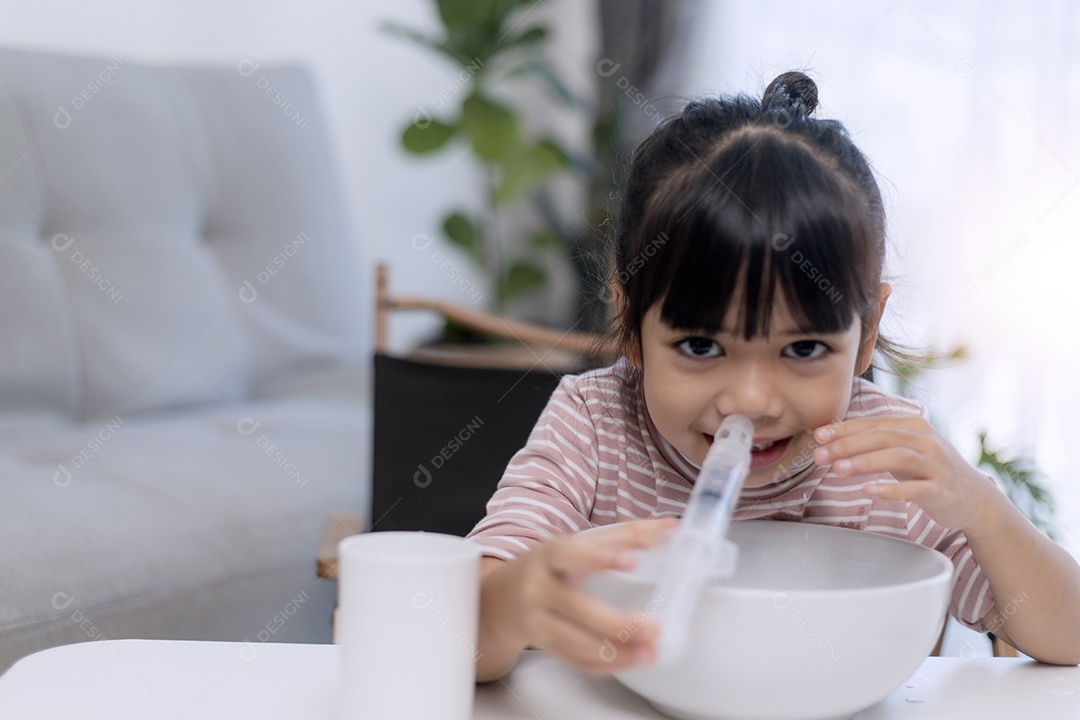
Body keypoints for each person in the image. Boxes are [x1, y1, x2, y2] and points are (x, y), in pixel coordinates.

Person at [468, 72, 1080, 681]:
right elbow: (463, 638)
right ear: (629, 325)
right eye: (701, 345)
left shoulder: (886, 462)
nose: (752, 401)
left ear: (866, 335)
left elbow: (1067, 637)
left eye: (804, 347)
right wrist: (509, 603)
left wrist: (983, 508)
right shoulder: (596, 425)